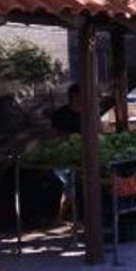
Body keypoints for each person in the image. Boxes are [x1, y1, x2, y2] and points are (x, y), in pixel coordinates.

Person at [50, 83, 81, 224]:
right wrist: (71, 139)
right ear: (74, 96)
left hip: (84, 156)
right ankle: (65, 217)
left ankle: (62, 217)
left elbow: (99, 130)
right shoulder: (61, 115)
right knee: (70, 184)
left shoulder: (90, 112)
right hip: (64, 157)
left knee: (71, 186)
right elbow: (54, 136)